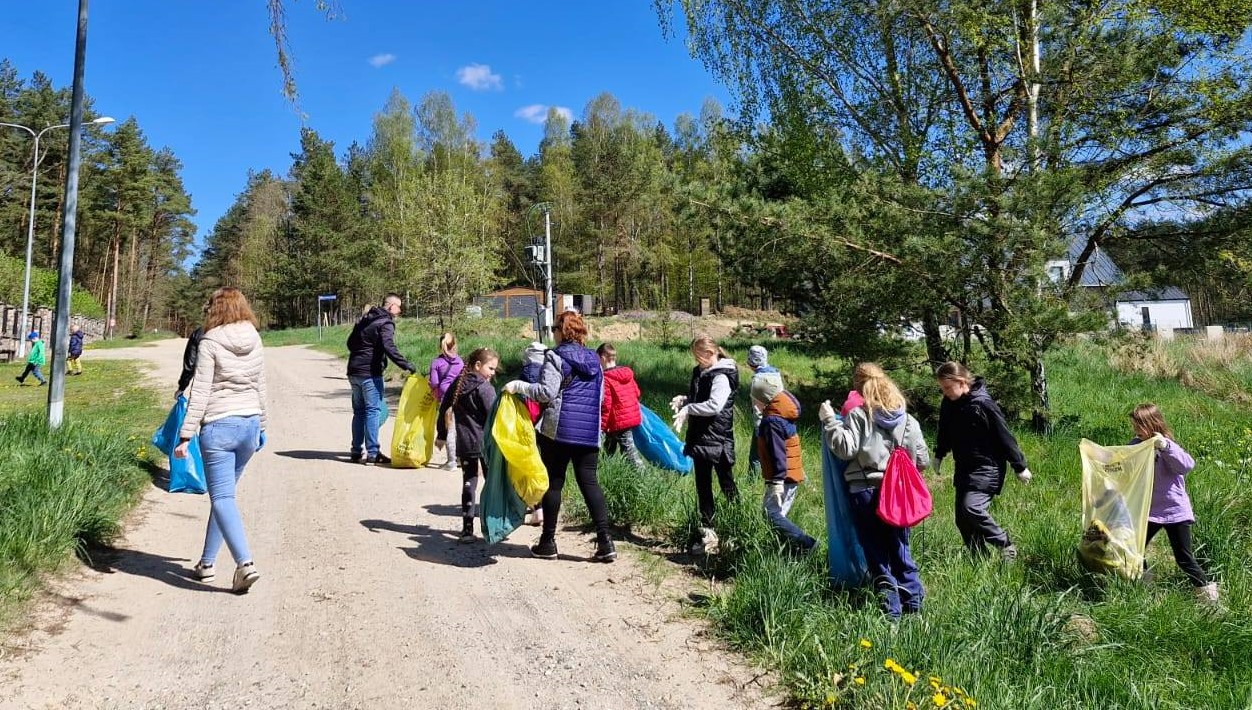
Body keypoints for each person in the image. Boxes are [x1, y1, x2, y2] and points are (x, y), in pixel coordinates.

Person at [174, 287, 268, 594]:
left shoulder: (210, 340)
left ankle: (245, 564)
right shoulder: (254, 336)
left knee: (222, 498)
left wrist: (185, 434)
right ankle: (207, 563)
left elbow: (200, 390)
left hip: (219, 426)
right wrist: (262, 425)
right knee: (223, 496)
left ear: (215, 309)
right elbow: (260, 384)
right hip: (249, 425)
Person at [503, 310, 616, 562]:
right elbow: (599, 398)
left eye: (554, 329)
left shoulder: (555, 356)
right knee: (590, 484)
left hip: (559, 431)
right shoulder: (595, 360)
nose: (552, 333)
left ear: (561, 331)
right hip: (588, 432)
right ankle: (606, 541)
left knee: (554, 483)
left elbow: (545, 392)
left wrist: (518, 386)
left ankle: (548, 542)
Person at [820, 363, 930, 619]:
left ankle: (891, 609)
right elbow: (922, 460)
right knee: (900, 548)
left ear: (860, 387)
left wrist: (829, 421)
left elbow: (845, 449)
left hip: (865, 491)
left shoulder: (860, 415)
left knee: (876, 550)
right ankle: (913, 605)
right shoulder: (908, 420)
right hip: (899, 495)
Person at [933, 362, 1032, 560]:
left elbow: (1004, 436)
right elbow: (944, 430)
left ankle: (1005, 544)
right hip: (964, 467)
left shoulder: (983, 404)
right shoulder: (949, 403)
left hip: (988, 467)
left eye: (947, 387)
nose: (944, 392)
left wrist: (1019, 466)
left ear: (961, 382)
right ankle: (980, 560)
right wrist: (939, 453)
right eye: (942, 388)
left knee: (972, 508)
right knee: (962, 520)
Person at [1130, 402, 1218, 604]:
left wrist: (1165, 447)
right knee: (1133, 550)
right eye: (1134, 426)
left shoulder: (1167, 445)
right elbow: (1124, 466)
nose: (1136, 430)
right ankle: (1146, 590)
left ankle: (1209, 600)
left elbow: (1187, 465)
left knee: (1184, 558)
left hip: (1175, 511)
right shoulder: (1135, 445)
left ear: (1153, 424)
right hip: (1149, 511)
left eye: (1139, 426)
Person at [673, 336, 740, 555]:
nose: (697, 361)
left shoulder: (721, 375)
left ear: (711, 354)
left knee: (726, 484)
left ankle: (736, 532)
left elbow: (715, 405)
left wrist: (689, 409)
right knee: (703, 488)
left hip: (718, 439)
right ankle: (709, 535)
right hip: (701, 438)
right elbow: (700, 396)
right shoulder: (703, 372)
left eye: (699, 357)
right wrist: (684, 400)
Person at [436, 348, 499, 543]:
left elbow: (444, 407)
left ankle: (467, 530)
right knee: (491, 484)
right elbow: (495, 416)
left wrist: (442, 434)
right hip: (486, 443)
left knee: (469, 482)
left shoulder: (458, 383)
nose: (493, 373)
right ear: (478, 366)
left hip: (465, 443)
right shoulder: (484, 388)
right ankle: (492, 527)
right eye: (491, 368)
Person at [346, 293, 416, 465]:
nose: (399, 311)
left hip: (353, 371)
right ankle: (372, 453)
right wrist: (406, 364)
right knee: (372, 411)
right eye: (399, 307)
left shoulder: (365, 319)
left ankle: (356, 452)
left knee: (359, 412)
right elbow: (389, 346)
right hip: (370, 373)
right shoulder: (386, 323)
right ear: (391, 306)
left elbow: (350, 344)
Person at [751, 374, 816, 552]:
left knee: (771, 514)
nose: (754, 403)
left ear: (763, 399)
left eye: (755, 399)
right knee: (776, 516)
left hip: (784, 477)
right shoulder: (779, 414)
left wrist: (777, 481)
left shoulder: (772, 421)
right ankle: (784, 550)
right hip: (788, 475)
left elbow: (779, 452)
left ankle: (807, 543)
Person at [597, 342, 644, 468]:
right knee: (609, 446)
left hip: (620, 421)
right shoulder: (627, 373)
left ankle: (643, 476)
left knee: (629, 452)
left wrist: (601, 426)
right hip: (629, 417)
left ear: (602, 358)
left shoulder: (606, 378)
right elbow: (637, 393)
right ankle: (606, 469)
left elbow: (606, 405)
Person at [519, 341, 548, 526]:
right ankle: (545, 505)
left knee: (530, 467)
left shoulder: (524, 374)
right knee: (544, 466)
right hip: (545, 425)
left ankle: (536, 507)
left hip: (527, 425)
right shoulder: (549, 372)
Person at [429, 332, 465, 471]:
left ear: (440, 346)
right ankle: (460, 458)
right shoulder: (460, 362)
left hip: (445, 398)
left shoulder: (436, 363)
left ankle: (451, 462)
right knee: (459, 428)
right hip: (460, 398)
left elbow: (434, 382)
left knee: (449, 428)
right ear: (455, 345)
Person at [746, 345, 783, 476]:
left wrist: (758, 432)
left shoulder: (757, 381)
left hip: (764, 423)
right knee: (785, 453)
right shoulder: (776, 375)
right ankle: (800, 479)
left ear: (751, 362)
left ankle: (752, 481)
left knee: (755, 456)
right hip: (781, 421)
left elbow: (757, 410)